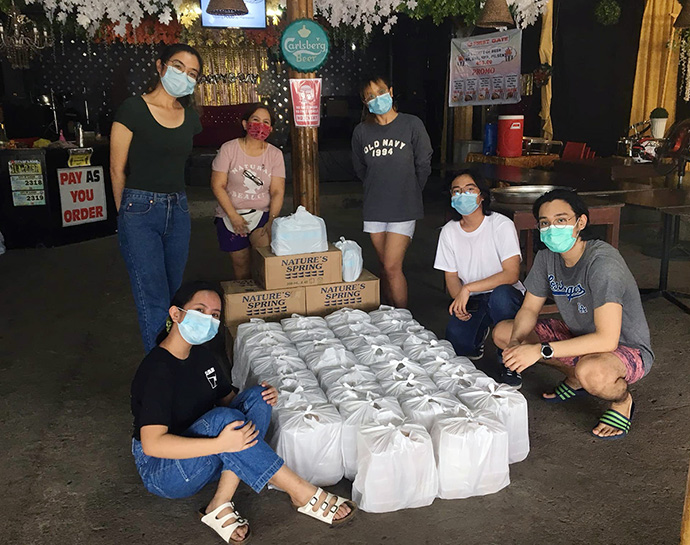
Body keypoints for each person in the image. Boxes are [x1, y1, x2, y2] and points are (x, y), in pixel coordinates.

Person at [131, 281, 357, 544]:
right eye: (200, 310)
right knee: (224, 420)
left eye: (215, 315)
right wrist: (219, 443)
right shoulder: (158, 370)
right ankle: (301, 492)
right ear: (176, 314)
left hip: (204, 453)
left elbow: (231, 400)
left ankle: (220, 502)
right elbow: (152, 444)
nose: (208, 319)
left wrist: (264, 398)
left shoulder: (202, 358)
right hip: (164, 471)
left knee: (257, 398)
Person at [493, 190, 654, 439]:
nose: (552, 228)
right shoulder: (547, 257)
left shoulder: (602, 264)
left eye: (561, 220)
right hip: (578, 333)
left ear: (581, 222)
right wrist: (516, 343)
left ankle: (622, 401)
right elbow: (528, 308)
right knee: (504, 333)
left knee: (592, 371)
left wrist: (539, 350)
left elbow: (607, 340)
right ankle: (574, 377)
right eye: (545, 222)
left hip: (624, 346)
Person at [110, 44, 203, 352]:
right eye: (178, 67)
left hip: (178, 208)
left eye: (192, 73)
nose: (184, 76)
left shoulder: (189, 117)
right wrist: (125, 217)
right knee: (152, 294)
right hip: (139, 209)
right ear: (160, 66)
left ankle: (174, 358)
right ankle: (161, 370)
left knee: (175, 294)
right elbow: (116, 168)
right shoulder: (133, 109)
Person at [434, 169, 524, 386]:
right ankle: (477, 335)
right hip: (473, 297)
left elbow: (511, 274)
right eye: (456, 191)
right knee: (458, 349)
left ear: (482, 195)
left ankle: (509, 362)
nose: (462, 195)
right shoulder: (449, 232)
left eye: (469, 189)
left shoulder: (501, 225)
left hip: (504, 294)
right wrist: (459, 301)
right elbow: (452, 277)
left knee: (501, 296)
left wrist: (467, 289)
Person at [351, 76, 433, 309]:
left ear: (391, 91)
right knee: (383, 265)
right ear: (364, 102)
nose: (377, 98)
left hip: (404, 206)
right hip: (375, 206)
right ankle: (389, 312)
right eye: (370, 96)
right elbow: (360, 167)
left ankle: (403, 319)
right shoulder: (361, 132)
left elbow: (423, 162)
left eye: (380, 92)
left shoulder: (411, 124)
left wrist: (412, 189)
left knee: (391, 266)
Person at [210, 103, 285, 280]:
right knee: (241, 266)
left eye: (266, 122)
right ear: (245, 124)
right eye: (256, 120)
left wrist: (271, 221)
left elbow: (277, 191)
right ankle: (246, 303)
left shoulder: (274, 154)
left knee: (266, 263)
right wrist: (233, 216)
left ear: (271, 129)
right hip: (230, 215)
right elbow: (217, 185)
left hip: (262, 216)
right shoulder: (229, 149)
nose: (261, 126)